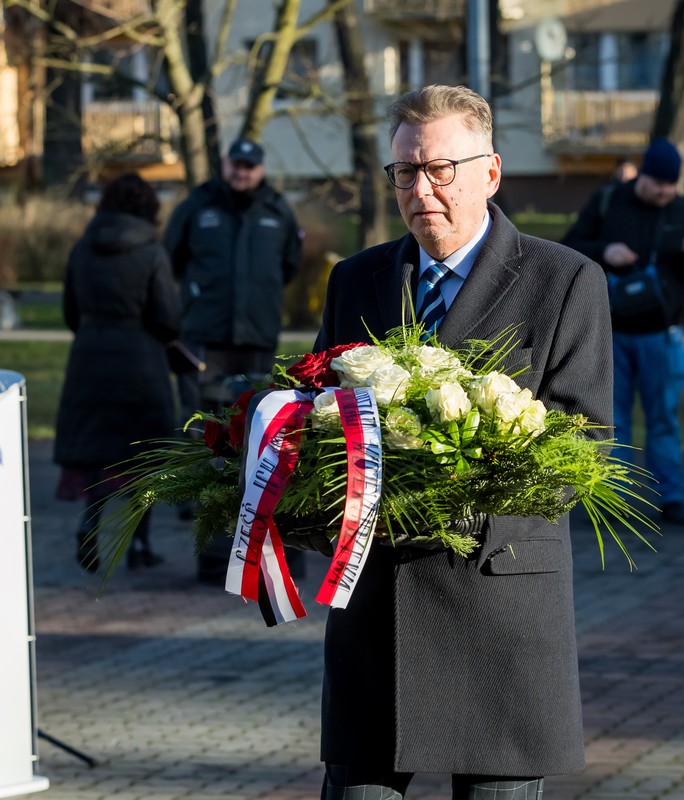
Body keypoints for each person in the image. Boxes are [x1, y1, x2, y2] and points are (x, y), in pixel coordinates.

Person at [310, 84, 613, 799]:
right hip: (378, 615)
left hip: (495, 609)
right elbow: (319, 417)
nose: (421, 189)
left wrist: (449, 501)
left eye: (441, 168)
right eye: (405, 172)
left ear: (491, 172)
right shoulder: (357, 281)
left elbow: (585, 444)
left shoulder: (563, 281)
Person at [162, 138, 304, 582]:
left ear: (261, 169)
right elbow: (171, 259)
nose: (242, 173)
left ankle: (247, 505)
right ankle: (196, 502)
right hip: (206, 334)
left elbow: (290, 264)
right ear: (224, 164)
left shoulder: (278, 211)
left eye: (250, 166)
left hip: (256, 335)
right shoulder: (197, 206)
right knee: (201, 420)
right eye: (236, 165)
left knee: (254, 426)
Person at [561, 137, 684, 525]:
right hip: (611, 333)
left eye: (672, 184)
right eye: (659, 184)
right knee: (610, 420)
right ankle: (614, 500)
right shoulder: (608, 203)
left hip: (663, 335)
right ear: (643, 175)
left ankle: (670, 496)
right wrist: (605, 252)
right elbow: (569, 248)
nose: (665, 191)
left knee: (663, 416)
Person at [54, 173, 182, 571]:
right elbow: (168, 320)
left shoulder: (82, 249)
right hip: (140, 364)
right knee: (141, 457)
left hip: (89, 361)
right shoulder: (151, 252)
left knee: (98, 455)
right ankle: (139, 545)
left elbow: (70, 312)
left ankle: (89, 524)